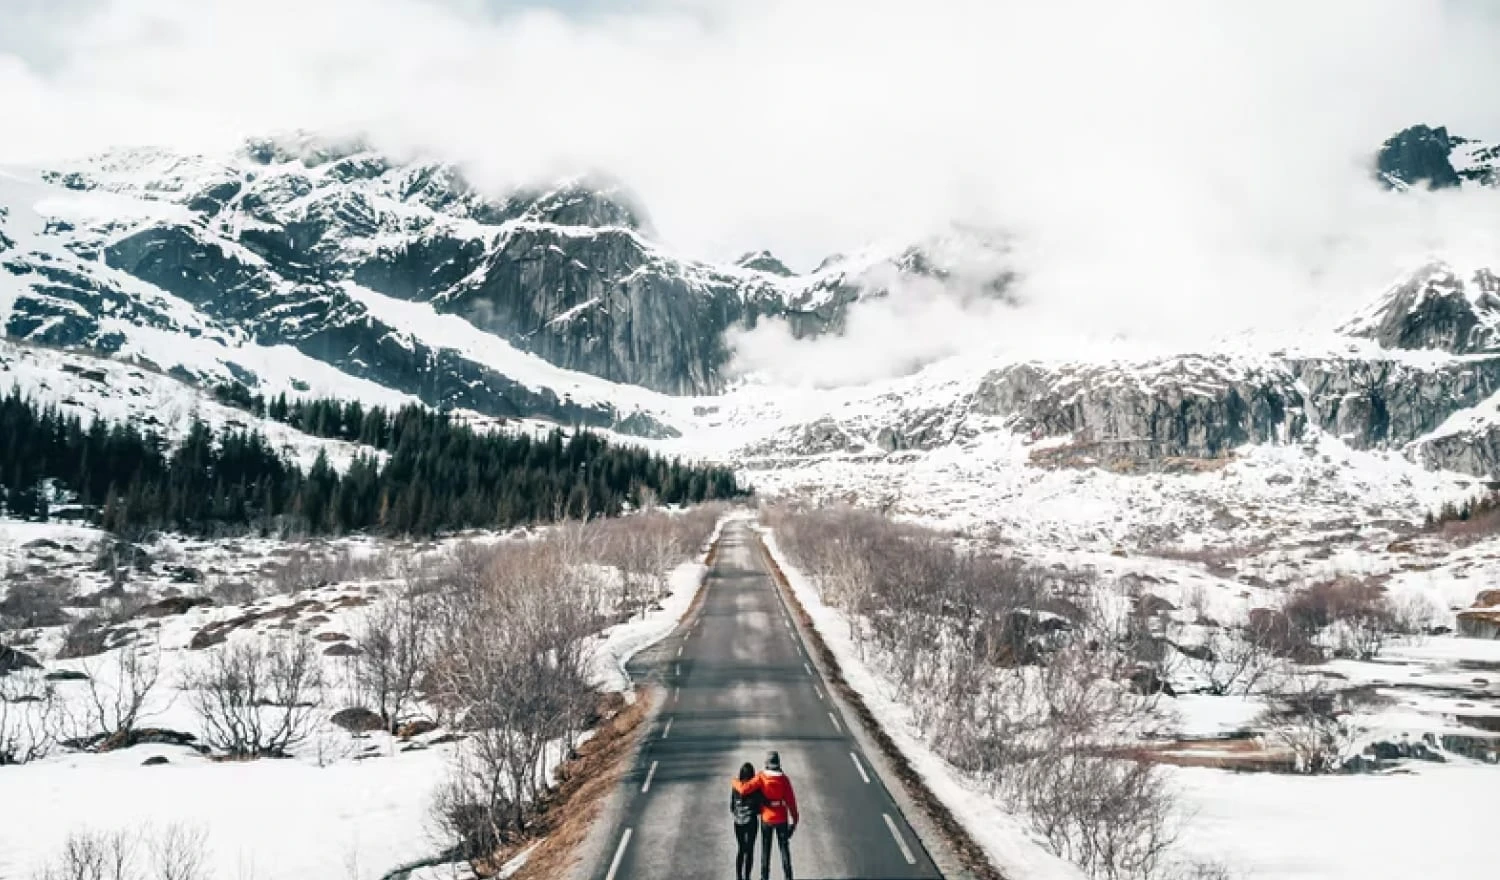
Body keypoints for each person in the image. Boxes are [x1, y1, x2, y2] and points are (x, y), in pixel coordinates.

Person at [742, 750, 799, 880]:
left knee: (765, 850)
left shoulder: (762, 777)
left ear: (767, 763)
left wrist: (735, 782)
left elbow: (745, 789)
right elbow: (791, 802)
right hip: (782, 818)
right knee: (784, 849)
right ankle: (788, 876)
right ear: (778, 763)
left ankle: (764, 877)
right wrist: (794, 821)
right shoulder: (784, 779)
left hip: (767, 818)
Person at [730, 762, 763, 880]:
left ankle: (739, 877)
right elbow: (759, 809)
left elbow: (732, 807)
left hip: (738, 822)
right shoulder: (755, 788)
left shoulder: (735, 787)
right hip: (751, 822)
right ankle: (747, 876)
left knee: (741, 849)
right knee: (750, 850)